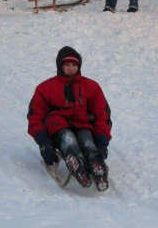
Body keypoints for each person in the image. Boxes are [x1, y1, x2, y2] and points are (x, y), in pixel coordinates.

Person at [27, 47, 112, 191]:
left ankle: (95, 164)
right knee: (68, 139)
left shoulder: (91, 87)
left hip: (83, 124)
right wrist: (43, 142)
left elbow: (102, 113)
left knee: (87, 141)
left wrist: (102, 140)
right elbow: (34, 116)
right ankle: (77, 165)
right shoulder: (46, 88)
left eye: (74, 65)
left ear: (79, 66)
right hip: (58, 126)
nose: (71, 68)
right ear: (60, 66)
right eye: (67, 65)